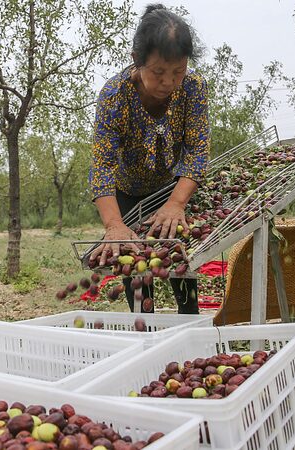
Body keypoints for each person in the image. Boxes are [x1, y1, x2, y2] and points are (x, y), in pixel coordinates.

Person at [89, 3, 209, 314]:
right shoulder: (114, 95)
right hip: (127, 194)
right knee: (137, 274)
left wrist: (177, 203)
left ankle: (188, 323)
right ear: (137, 61)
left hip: (171, 189)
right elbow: (102, 165)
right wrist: (114, 224)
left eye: (178, 71)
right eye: (158, 72)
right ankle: (147, 333)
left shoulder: (194, 88)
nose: (168, 82)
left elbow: (197, 150)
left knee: (180, 264)